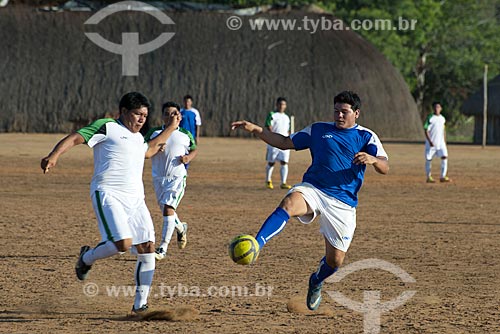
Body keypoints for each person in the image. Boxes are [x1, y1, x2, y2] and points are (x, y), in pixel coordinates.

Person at [231, 91, 389, 311]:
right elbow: (285, 142)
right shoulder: (318, 130)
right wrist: (256, 129)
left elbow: (384, 167)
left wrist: (372, 159)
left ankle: (316, 280)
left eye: (344, 112)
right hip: (314, 189)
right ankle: (257, 244)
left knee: (335, 261)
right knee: (288, 204)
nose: (339, 116)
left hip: (343, 203)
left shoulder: (366, 137)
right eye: (336, 111)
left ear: (357, 113)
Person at [40, 92, 181, 315]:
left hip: (136, 200)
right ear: (123, 112)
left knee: (148, 248)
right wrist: (54, 155)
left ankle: (140, 306)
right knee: (122, 244)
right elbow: (76, 137)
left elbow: (150, 149)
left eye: (145, 115)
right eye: (137, 114)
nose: (142, 119)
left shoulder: (138, 138)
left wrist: (171, 128)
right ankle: (86, 258)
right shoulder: (107, 127)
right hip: (108, 194)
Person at [144, 101, 197, 261]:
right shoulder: (154, 133)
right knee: (167, 212)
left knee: (168, 209)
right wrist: (154, 150)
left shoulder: (185, 134)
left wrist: (188, 157)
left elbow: (194, 149)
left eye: (174, 113)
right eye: (167, 113)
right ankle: (181, 227)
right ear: (162, 116)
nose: (170, 116)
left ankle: (163, 248)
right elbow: (144, 150)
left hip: (177, 178)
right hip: (158, 178)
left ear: (179, 116)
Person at [264, 97, 292, 190]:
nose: (281, 106)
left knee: (284, 162)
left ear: (286, 106)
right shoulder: (272, 114)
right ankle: (268, 181)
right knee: (271, 162)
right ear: (276, 105)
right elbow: (268, 125)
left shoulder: (286, 117)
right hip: (273, 142)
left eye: (283, 104)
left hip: (284, 143)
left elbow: (288, 130)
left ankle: (283, 182)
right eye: (280, 104)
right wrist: (272, 137)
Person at [424, 102, 451, 183]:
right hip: (431, 143)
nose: (437, 109)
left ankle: (443, 176)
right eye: (435, 107)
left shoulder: (442, 118)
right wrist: (430, 141)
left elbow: (444, 130)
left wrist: (444, 141)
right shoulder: (430, 118)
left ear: (441, 108)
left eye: (438, 107)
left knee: (444, 157)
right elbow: (426, 129)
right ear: (433, 108)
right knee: (429, 159)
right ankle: (429, 177)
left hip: (441, 143)